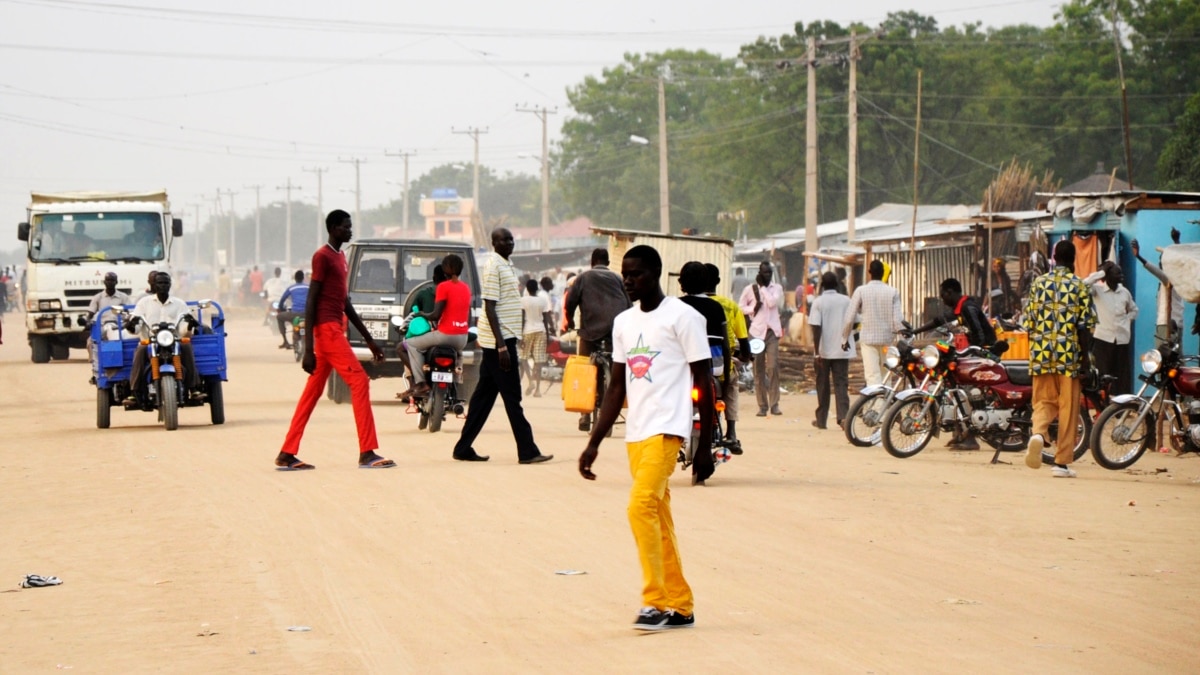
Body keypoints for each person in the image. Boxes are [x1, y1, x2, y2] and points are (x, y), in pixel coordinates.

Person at [577, 244, 714, 631]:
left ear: (655, 273)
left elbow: (705, 381)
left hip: (668, 430)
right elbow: (616, 389)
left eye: (635, 273)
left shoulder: (683, 318)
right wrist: (594, 442)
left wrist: (704, 446)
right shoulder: (623, 323)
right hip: (636, 435)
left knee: (639, 508)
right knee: (658, 518)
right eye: (625, 273)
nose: (628, 280)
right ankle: (681, 606)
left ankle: (654, 602)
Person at [275, 210, 394, 471]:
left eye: (350, 226)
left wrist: (369, 340)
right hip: (326, 331)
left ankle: (286, 453)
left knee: (312, 392)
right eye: (345, 226)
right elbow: (311, 300)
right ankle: (367, 452)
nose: (350, 230)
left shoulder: (341, 257)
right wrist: (308, 349)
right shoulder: (322, 256)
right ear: (332, 228)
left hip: (334, 330)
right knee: (359, 381)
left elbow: (345, 302)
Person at [451, 228, 552, 464]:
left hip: (504, 338)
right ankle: (527, 451)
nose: (509, 243)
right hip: (500, 342)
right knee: (512, 397)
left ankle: (463, 447)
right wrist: (501, 347)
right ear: (493, 243)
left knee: (483, 398)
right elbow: (489, 307)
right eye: (503, 240)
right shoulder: (493, 266)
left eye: (511, 239)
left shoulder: (507, 264)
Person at [1023, 240, 1096, 478]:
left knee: (1042, 401)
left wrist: (1036, 349)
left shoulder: (1039, 283)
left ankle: (1039, 433)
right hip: (1069, 356)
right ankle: (1062, 462)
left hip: (1042, 353)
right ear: (1074, 258)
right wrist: (1086, 361)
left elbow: (1029, 322)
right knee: (1068, 408)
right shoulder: (1079, 286)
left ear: (1054, 257)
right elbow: (1085, 327)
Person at [910, 278, 997, 451]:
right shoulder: (959, 308)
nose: (942, 299)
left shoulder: (968, 308)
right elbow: (938, 321)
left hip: (984, 352)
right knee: (954, 388)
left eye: (943, 295)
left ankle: (971, 437)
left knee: (968, 392)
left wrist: (973, 353)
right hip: (974, 352)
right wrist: (914, 332)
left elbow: (979, 334)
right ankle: (959, 434)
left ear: (950, 292)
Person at [565, 248, 632, 432]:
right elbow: (629, 304)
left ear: (592, 262)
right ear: (608, 262)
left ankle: (585, 414)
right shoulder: (618, 279)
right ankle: (612, 401)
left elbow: (570, 302)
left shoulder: (583, 278)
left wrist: (569, 321)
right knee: (616, 364)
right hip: (615, 331)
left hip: (590, 331)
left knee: (584, 365)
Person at [403, 254, 473, 400]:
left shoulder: (443, 287)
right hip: (462, 338)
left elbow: (435, 315)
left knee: (411, 344)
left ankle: (421, 383)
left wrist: (422, 314)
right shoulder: (466, 288)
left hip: (445, 335)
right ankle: (455, 386)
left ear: (446, 269)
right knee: (457, 355)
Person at [124, 272, 200, 405]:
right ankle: (134, 391)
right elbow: (137, 325)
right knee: (140, 350)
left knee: (186, 346)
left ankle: (193, 388)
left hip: (173, 340)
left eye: (166, 283)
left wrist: (189, 325)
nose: (163, 286)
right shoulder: (144, 303)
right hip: (150, 341)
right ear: (154, 285)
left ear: (170, 285)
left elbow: (183, 328)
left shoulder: (179, 304)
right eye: (160, 283)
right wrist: (131, 325)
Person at [703, 263, 749, 452]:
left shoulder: (687, 304)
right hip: (722, 362)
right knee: (731, 386)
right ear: (718, 282)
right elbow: (743, 339)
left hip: (693, 364)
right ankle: (731, 432)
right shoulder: (730, 306)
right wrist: (745, 356)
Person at [842, 260, 903, 387]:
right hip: (887, 340)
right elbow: (898, 321)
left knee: (872, 376)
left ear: (869, 272)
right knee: (886, 374)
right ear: (883, 273)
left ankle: (877, 406)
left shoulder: (861, 291)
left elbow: (849, 318)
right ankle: (886, 405)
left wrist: (844, 338)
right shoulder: (893, 292)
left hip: (868, 340)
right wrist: (903, 340)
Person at [808, 272, 854, 430]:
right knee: (841, 383)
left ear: (822, 285)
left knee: (822, 384)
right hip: (842, 349)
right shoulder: (846, 301)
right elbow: (855, 322)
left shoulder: (818, 302)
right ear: (836, 285)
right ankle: (843, 418)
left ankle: (821, 420)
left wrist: (816, 352)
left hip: (823, 351)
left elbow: (816, 327)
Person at [738, 261, 784, 416]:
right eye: (765, 272)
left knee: (773, 367)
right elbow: (740, 308)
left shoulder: (776, 288)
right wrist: (752, 309)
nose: (768, 275)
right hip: (756, 333)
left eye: (770, 273)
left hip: (772, 333)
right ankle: (762, 406)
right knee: (758, 369)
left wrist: (763, 288)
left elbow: (771, 303)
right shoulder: (749, 290)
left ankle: (775, 404)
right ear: (759, 273)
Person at [1084, 261, 1137, 395]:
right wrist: (1101, 273)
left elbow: (1134, 310)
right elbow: (1083, 285)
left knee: (1122, 374)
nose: (1121, 275)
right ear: (1108, 276)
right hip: (1103, 339)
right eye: (1117, 273)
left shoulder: (1124, 292)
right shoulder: (1097, 290)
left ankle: (1122, 406)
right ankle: (1102, 406)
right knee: (1102, 374)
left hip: (1122, 339)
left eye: (1121, 272)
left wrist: (1127, 320)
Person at [677, 261, 729, 393]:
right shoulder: (716, 307)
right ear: (707, 282)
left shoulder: (675, 306)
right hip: (714, 368)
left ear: (681, 282)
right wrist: (726, 378)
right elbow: (726, 346)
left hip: (683, 368)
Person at [519, 278, 552, 397]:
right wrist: (548, 336)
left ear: (527, 289)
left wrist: (520, 335)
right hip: (541, 330)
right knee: (539, 361)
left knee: (523, 358)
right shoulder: (542, 301)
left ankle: (530, 381)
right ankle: (537, 389)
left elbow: (522, 319)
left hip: (527, 330)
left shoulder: (523, 300)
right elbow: (546, 318)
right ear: (537, 288)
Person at [86, 271, 132, 351]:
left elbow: (130, 312)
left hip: (119, 326)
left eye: (112, 280)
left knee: (130, 341)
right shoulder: (98, 297)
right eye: (108, 280)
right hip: (102, 326)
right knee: (91, 342)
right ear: (104, 282)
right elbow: (90, 313)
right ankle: (96, 361)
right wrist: (87, 321)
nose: (110, 282)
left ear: (116, 282)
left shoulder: (123, 297)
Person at [275, 270, 309, 349]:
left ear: (295, 279)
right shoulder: (308, 287)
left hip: (294, 314)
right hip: (307, 314)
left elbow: (282, 299)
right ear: (303, 278)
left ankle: (285, 341)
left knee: (279, 317)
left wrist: (281, 308)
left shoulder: (291, 288)